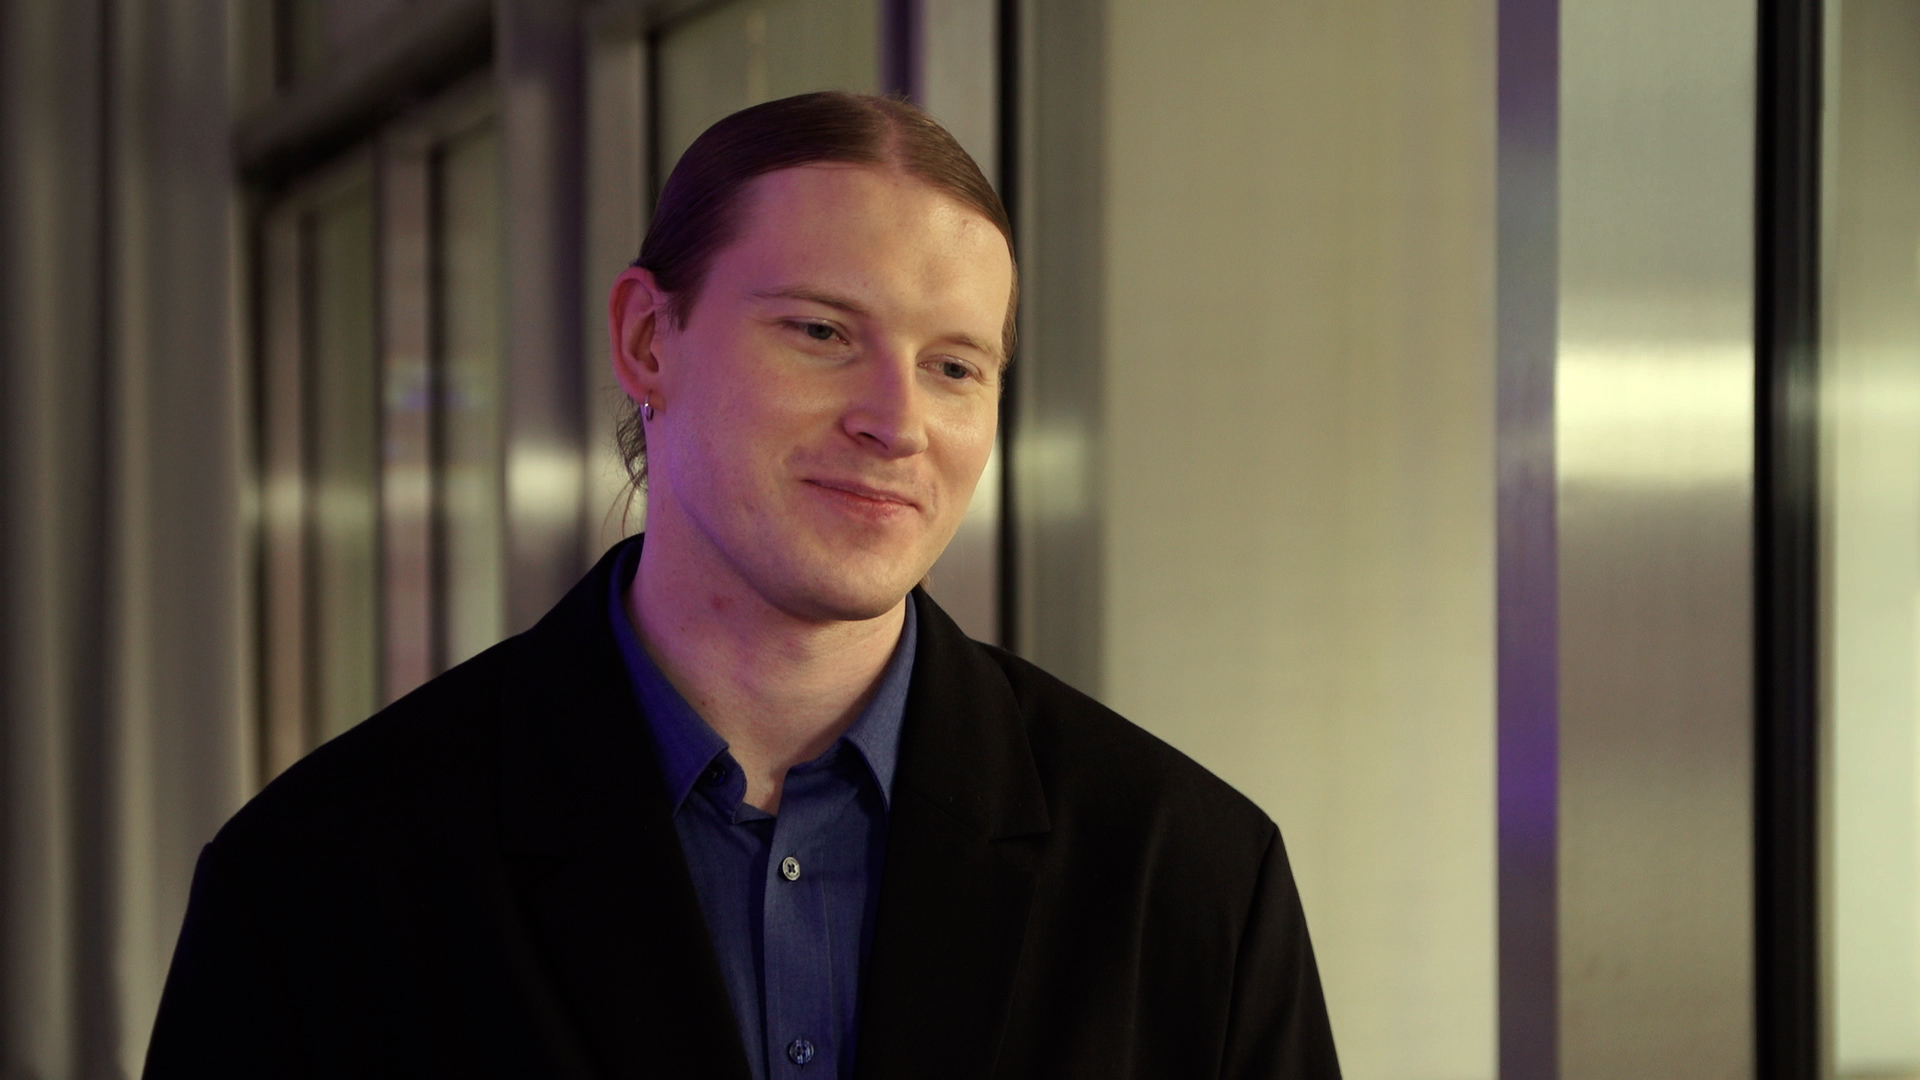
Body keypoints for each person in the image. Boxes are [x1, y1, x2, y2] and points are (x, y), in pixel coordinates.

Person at [144, 91, 1339, 1079]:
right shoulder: (322, 880)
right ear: (647, 339)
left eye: (954, 366)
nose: (896, 421)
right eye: (821, 332)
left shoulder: (1187, 879)